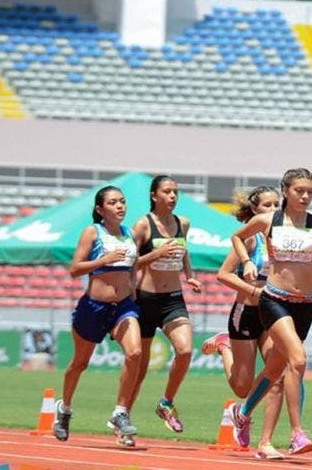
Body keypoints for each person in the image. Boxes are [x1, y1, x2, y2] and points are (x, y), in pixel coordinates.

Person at [225, 168, 312, 453]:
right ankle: (297, 433)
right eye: (299, 190)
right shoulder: (268, 220)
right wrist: (247, 262)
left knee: (275, 368)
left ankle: (245, 417)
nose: (305, 196)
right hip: (274, 300)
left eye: (310, 192)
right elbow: (238, 237)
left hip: (304, 306)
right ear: (286, 191)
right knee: (297, 361)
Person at [203, 186, 307, 458]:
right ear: (255, 211)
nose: (273, 210)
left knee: (278, 374)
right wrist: (255, 291)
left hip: (273, 313)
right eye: (267, 206)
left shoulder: (286, 239)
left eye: (277, 205)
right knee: (242, 385)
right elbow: (223, 275)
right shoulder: (250, 240)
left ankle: (266, 442)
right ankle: (224, 346)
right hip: (247, 313)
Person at [53, 185, 142, 447]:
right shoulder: (93, 232)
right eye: (113, 202)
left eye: (123, 201)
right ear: (100, 209)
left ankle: (120, 412)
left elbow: (134, 265)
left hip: (123, 307)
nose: (120, 206)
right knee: (79, 364)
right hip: (93, 307)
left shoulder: (130, 235)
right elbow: (75, 269)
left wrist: (133, 289)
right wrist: (103, 260)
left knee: (135, 353)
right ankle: (64, 409)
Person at [127, 175, 201, 433]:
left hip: (172, 300)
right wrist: (155, 254)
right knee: (139, 367)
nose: (172, 196)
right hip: (145, 299)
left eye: (175, 192)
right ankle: (124, 414)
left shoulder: (183, 223)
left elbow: (185, 250)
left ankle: (166, 402)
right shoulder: (143, 225)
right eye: (167, 192)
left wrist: (190, 275)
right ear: (154, 195)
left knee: (185, 350)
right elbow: (129, 261)